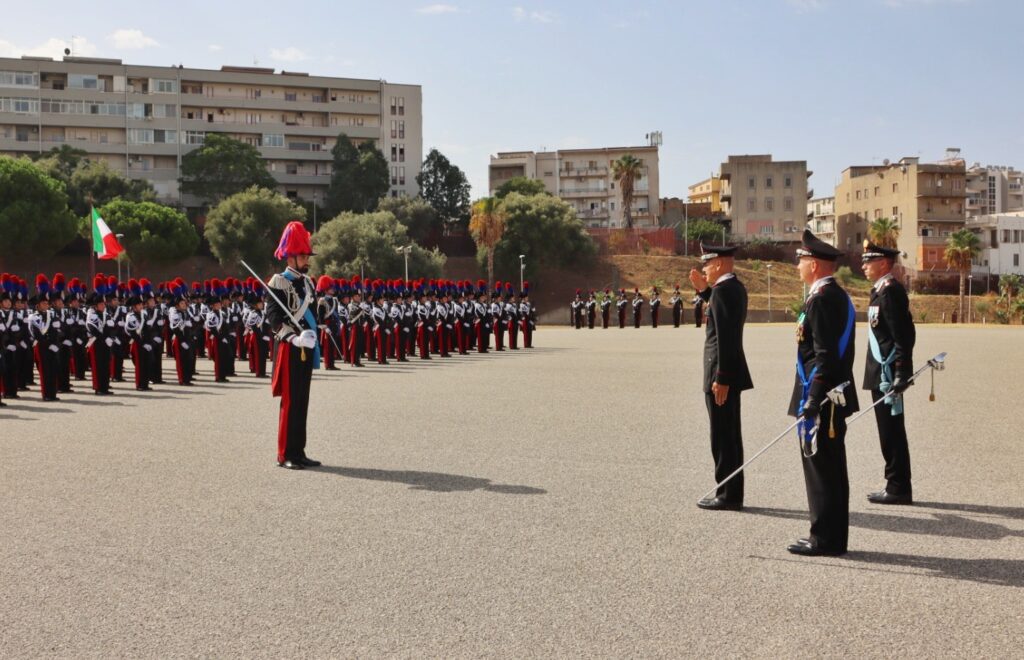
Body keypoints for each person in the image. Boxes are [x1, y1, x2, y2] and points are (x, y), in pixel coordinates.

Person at [786, 229, 860, 557]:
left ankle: (824, 539)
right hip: (831, 394)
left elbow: (825, 356)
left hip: (823, 398)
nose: (797, 266)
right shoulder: (836, 295)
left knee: (822, 470)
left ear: (814, 265)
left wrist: (813, 399)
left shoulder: (821, 299)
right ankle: (832, 537)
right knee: (831, 469)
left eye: (800, 260)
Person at [691, 245, 753, 511]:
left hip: (721, 373)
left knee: (723, 436)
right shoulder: (731, 288)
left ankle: (728, 494)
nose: (704, 268)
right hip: (723, 371)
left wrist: (722, 377)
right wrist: (704, 291)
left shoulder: (724, 291)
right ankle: (729, 491)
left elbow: (726, 339)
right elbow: (720, 317)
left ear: (718, 264)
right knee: (729, 434)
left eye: (707, 264)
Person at [861, 240, 917, 505]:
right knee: (887, 431)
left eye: (868, 261)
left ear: (883, 263)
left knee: (892, 431)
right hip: (880, 371)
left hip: (887, 374)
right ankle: (894, 483)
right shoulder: (880, 290)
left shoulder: (891, 291)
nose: (863, 266)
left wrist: (900, 373)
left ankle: (898, 487)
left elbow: (903, 336)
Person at [266, 220, 322, 471]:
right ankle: (284, 453)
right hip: (290, 348)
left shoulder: (308, 284)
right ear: (290, 258)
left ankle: (299, 451)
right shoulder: (278, 282)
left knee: (303, 400)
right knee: (290, 402)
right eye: (302, 256)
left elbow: (312, 313)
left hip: (306, 347)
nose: (306, 260)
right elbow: (274, 319)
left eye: (306, 256)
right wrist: (294, 337)